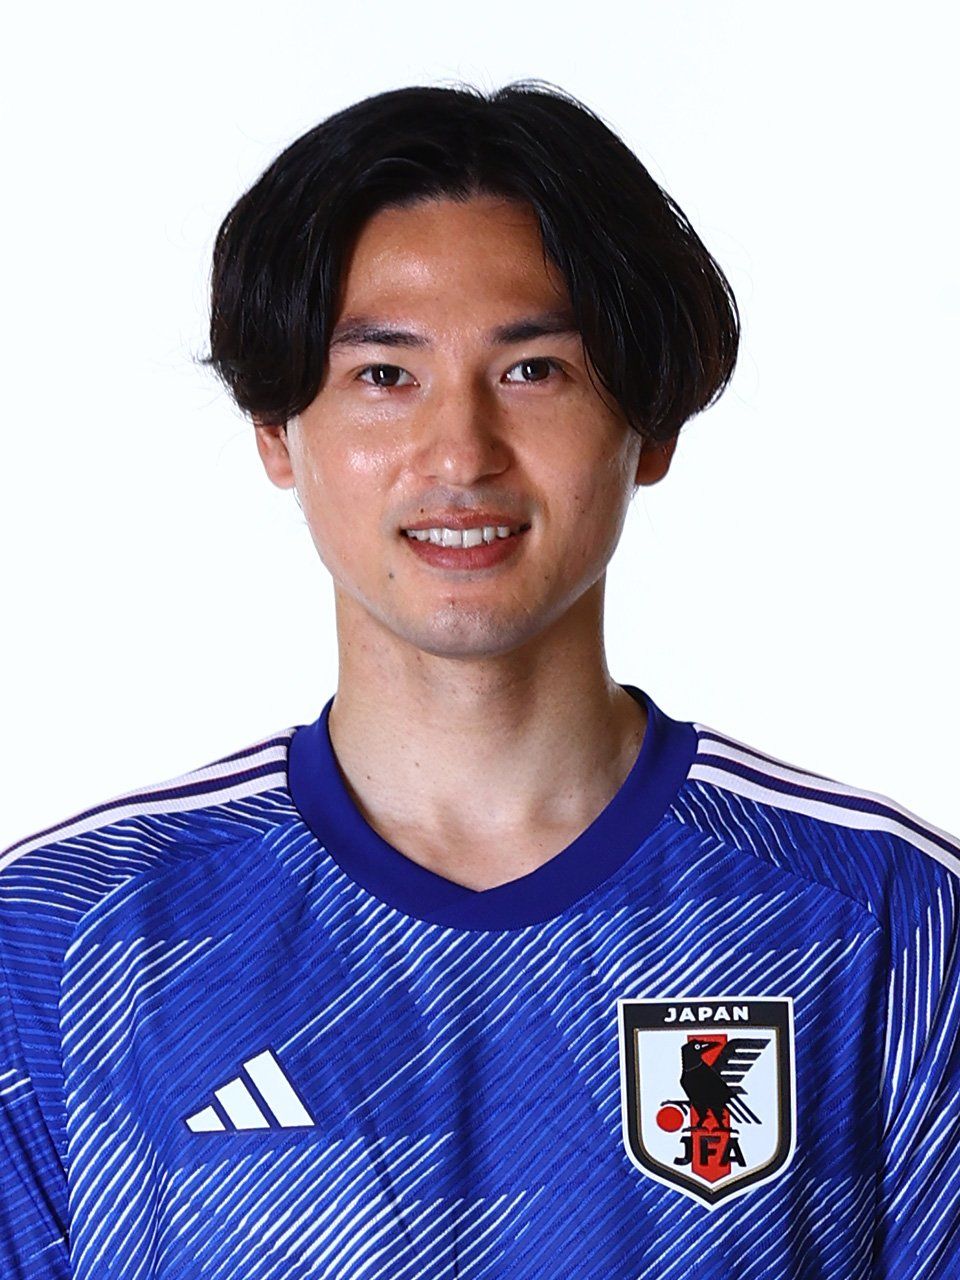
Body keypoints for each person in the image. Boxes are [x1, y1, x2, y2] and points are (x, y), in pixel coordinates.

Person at [1, 81, 956, 1280]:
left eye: (534, 369)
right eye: (384, 375)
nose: (460, 454)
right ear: (275, 429)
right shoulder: (63, 940)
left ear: (651, 424)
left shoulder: (884, 919)